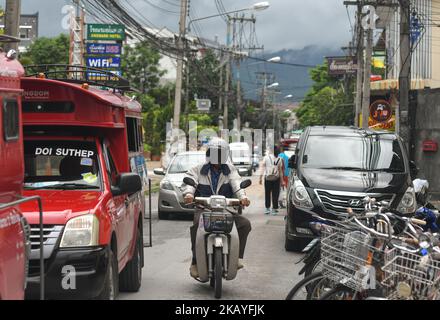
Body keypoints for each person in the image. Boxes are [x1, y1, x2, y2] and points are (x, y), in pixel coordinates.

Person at [182, 137, 251, 279]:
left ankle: (237, 257)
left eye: (221, 153)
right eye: (215, 153)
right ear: (209, 153)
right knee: (196, 227)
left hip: (226, 209)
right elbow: (190, 182)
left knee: (244, 224)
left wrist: (243, 197)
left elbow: (236, 184)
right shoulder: (198, 169)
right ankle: (195, 262)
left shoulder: (230, 170)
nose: (218, 157)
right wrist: (189, 194)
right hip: (204, 209)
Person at [260, 146, 285, 215]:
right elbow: (280, 171)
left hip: (267, 178)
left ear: (271, 150)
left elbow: (262, 168)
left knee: (267, 193)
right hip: (276, 179)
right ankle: (274, 209)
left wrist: (260, 177)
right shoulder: (280, 159)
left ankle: (267, 209)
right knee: (275, 194)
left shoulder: (266, 158)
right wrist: (282, 181)